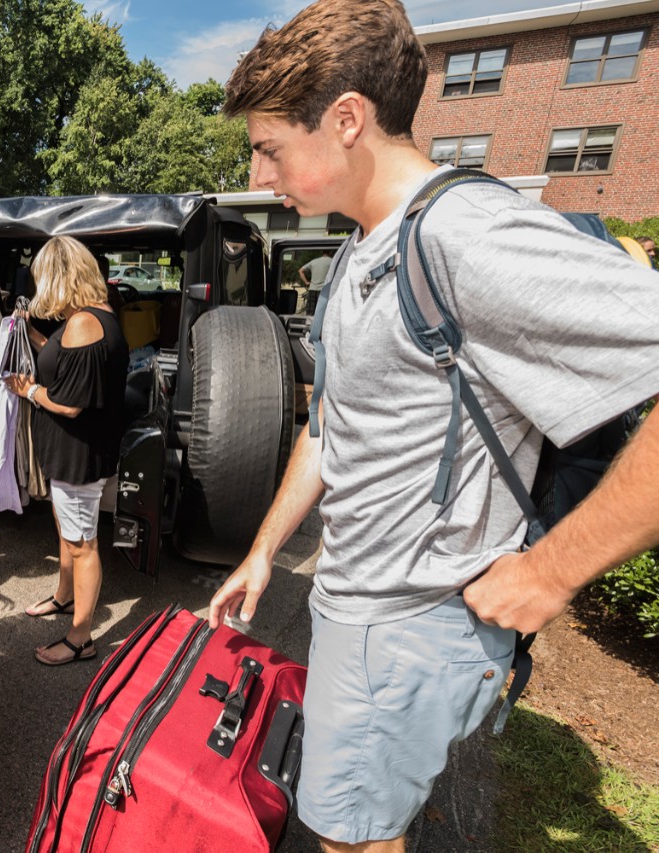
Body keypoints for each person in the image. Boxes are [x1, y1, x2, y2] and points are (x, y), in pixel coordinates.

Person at [206, 2, 659, 851]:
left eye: (269, 147)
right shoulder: (359, 251)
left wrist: (552, 572)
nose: (260, 174)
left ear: (346, 120)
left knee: (349, 837)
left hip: (410, 626)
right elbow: (332, 419)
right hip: (358, 609)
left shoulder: (466, 234)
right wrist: (266, 549)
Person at [2, 236, 128, 666]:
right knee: (66, 531)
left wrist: (30, 390)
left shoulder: (82, 325)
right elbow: (69, 363)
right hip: (77, 452)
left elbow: (71, 403)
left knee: (82, 544)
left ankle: (81, 638)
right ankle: (64, 596)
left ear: (57, 277)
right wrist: (31, 333)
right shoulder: (95, 315)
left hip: (78, 453)